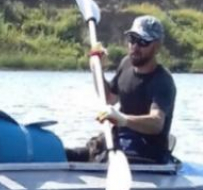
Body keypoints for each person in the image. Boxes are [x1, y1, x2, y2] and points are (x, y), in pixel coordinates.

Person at [68, 15, 177, 163]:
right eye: (132, 39)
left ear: (157, 46)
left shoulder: (162, 81)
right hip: (120, 139)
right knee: (71, 154)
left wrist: (123, 120)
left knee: (104, 160)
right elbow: (108, 98)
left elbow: (156, 123)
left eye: (143, 42)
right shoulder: (126, 63)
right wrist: (96, 68)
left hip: (147, 151)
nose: (135, 47)